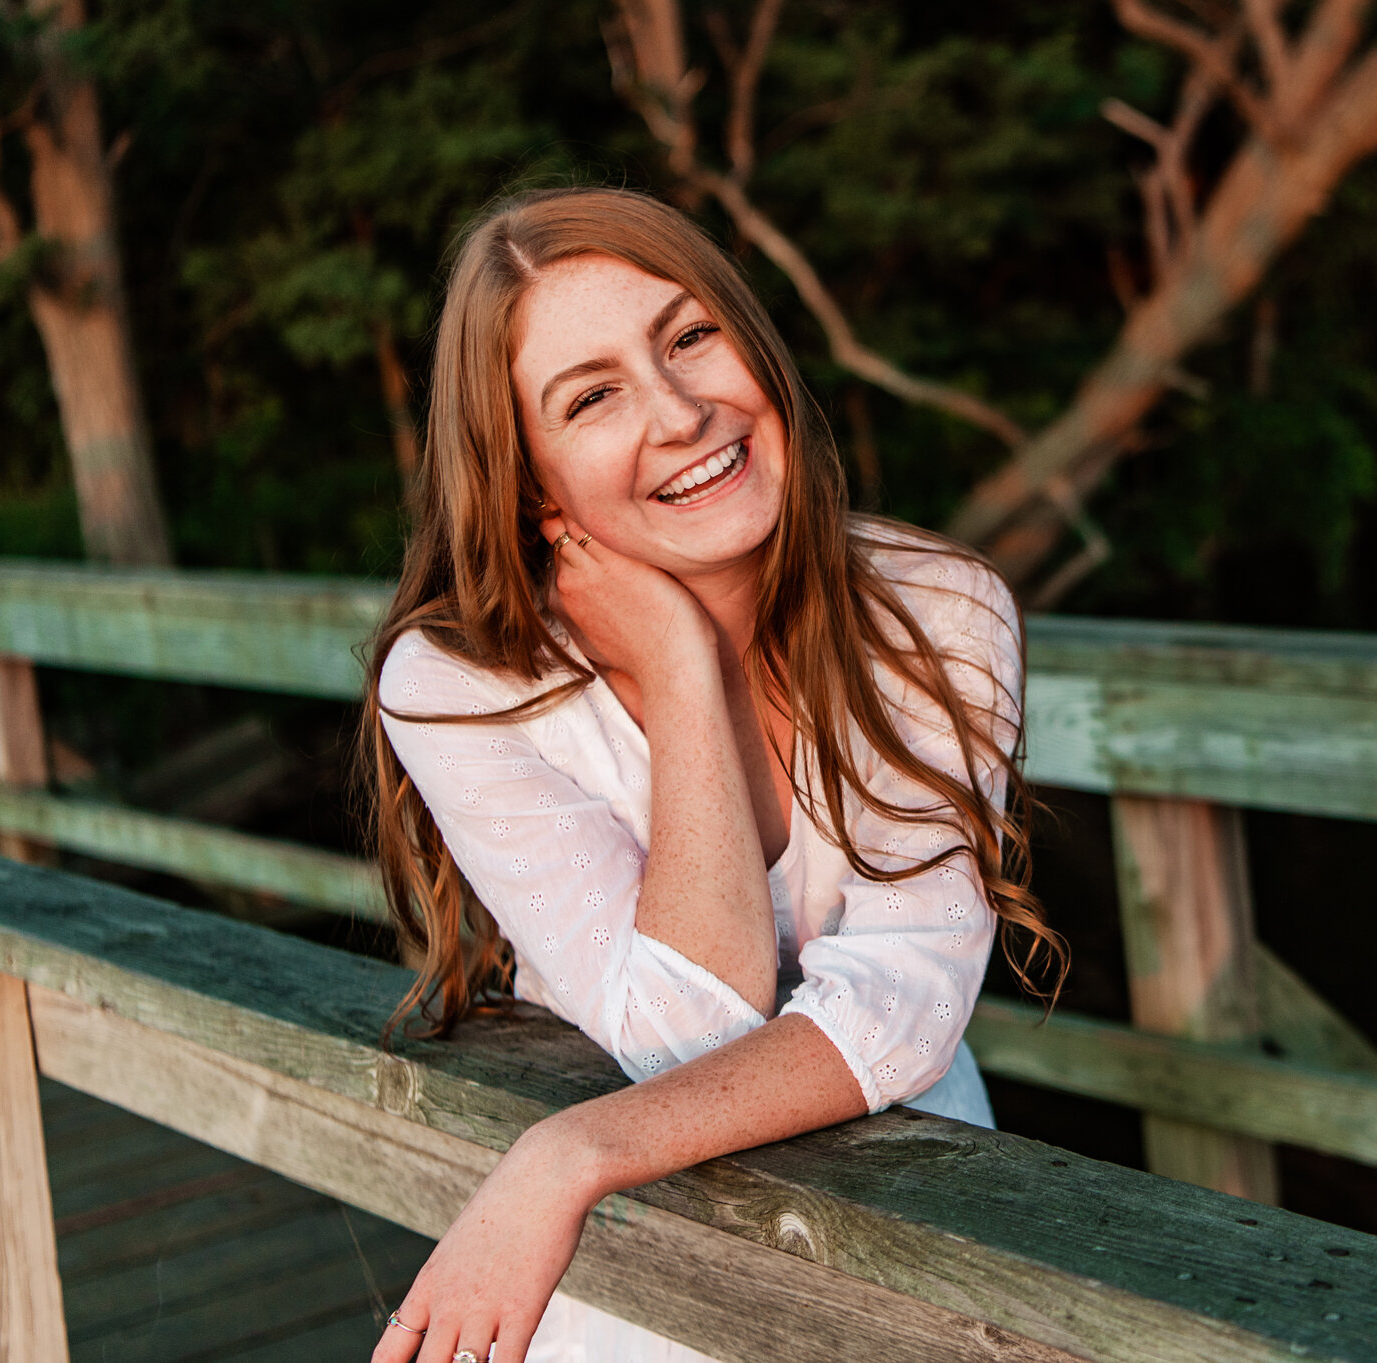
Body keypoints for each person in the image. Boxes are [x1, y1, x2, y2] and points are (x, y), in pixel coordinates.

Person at [362, 186, 1061, 1363]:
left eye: (689, 336)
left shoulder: (937, 612)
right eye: (592, 397)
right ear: (532, 482)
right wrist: (683, 667)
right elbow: (684, 1031)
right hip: (639, 1271)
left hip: (907, 1223)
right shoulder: (456, 683)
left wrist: (565, 1154)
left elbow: (899, 1009)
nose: (682, 411)